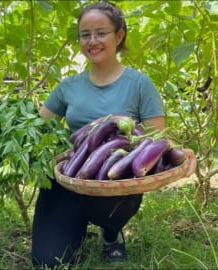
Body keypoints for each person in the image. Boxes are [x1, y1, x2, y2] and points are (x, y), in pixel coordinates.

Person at [32, 1, 196, 268]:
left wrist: (182, 154)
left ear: (119, 36)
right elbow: (36, 126)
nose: (92, 41)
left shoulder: (140, 85)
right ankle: (73, 225)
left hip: (116, 179)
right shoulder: (68, 87)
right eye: (85, 34)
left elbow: (156, 139)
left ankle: (111, 232)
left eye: (101, 33)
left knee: (110, 198)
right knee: (49, 262)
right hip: (70, 176)